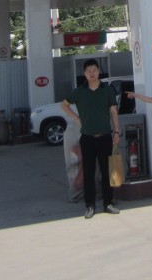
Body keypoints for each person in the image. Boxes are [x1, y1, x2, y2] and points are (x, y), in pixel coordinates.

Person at [61, 59, 122, 218]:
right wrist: (77, 119)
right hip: (87, 138)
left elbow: (114, 112)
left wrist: (116, 131)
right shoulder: (79, 91)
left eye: (94, 70)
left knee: (106, 172)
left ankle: (108, 203)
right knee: (88, 173)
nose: (92, 73)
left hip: (105, 137)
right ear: (84, 73)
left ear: (98, 71)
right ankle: (90, 206)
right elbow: (64, 105)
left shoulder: (107, 90)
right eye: (89, 71)